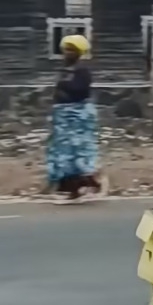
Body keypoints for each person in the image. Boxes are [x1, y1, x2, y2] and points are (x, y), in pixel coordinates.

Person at [47, 34, 104, 204]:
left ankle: (84, 185)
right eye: (66, 49)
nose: (67, 53)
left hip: (78, 115)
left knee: (77, 151)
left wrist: (63, 85)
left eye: (72, 50)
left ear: (79, 52)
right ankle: (70, 187)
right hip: (62, 114)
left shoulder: (82, 70)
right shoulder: (64, 70)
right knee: (62, 153)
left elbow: (81, 90)